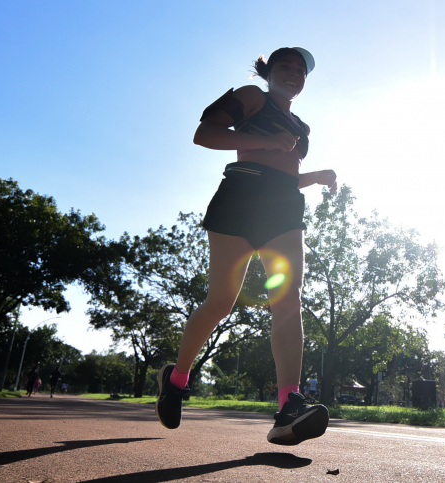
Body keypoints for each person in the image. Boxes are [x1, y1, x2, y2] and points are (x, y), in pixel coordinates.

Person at [155, 47, 336, 446]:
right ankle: (177, 379)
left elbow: (284, 173)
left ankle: (289, 406)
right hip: (239, 198)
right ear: (268, 72)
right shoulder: (253, 97)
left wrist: (316, 175)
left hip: (283, 207)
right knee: (220, 301)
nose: (293, 73)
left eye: (300, 70)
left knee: (287, 299)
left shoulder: (302, 127)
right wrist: (266, 139)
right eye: (284, 66)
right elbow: (204, 134)